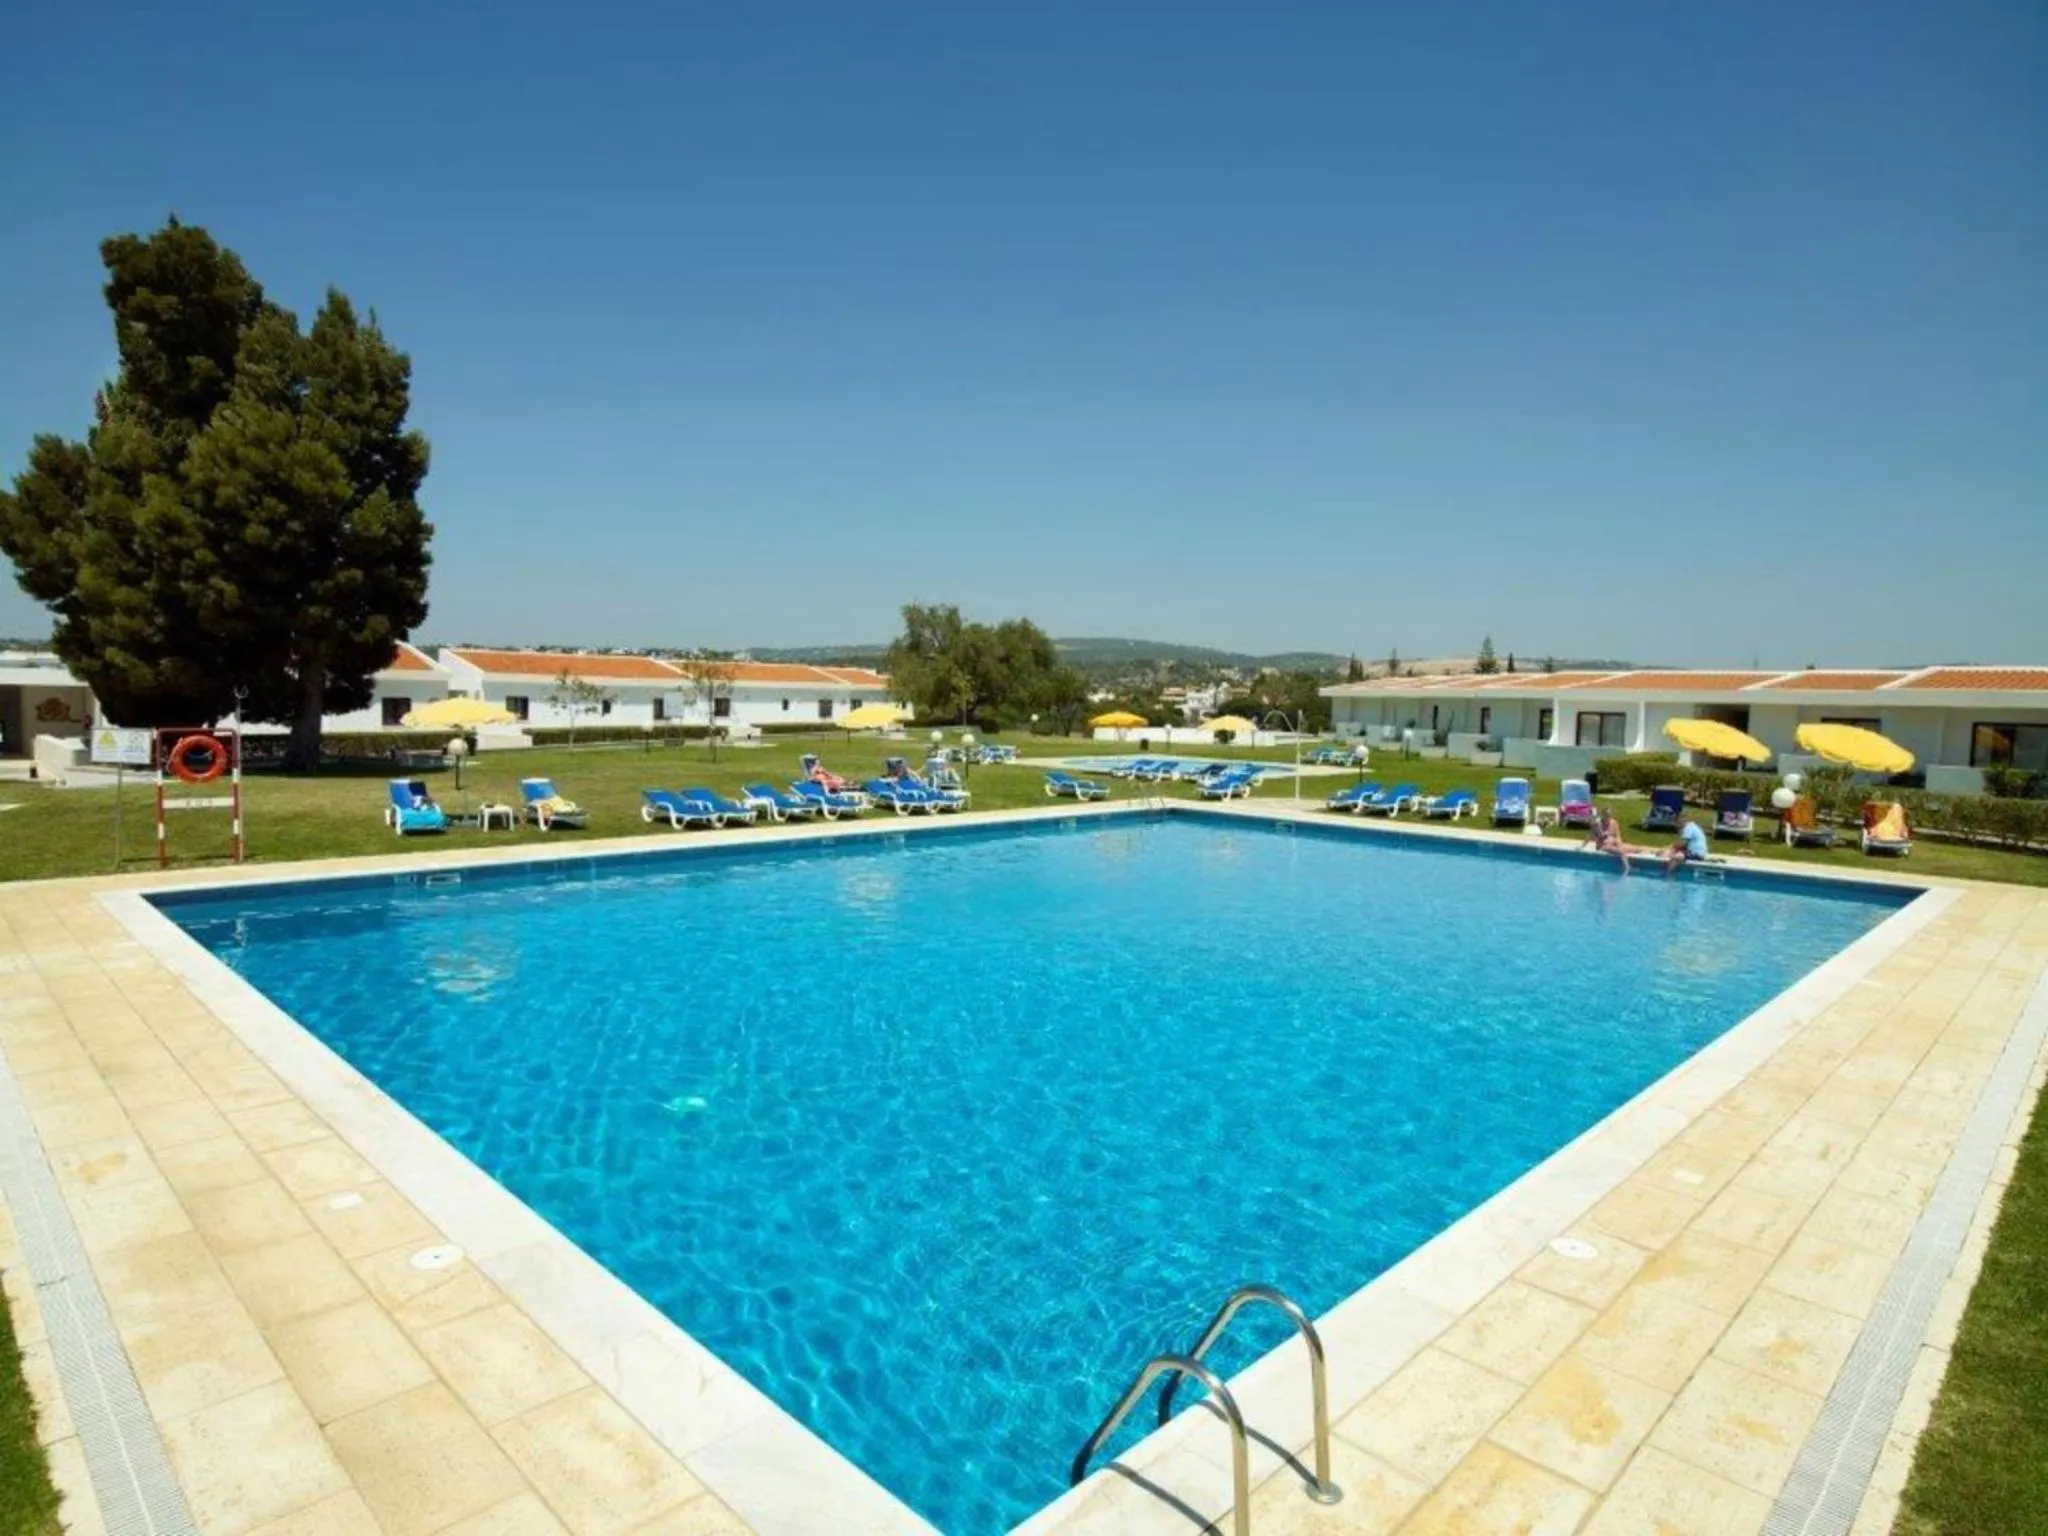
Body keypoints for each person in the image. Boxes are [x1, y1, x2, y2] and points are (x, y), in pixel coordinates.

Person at [1584, 806, 1635, 874]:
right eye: (1606, 815)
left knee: (1635, 849)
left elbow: (1618, 836)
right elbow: (1590, 836)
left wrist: (1619, 843)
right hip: (1602, 846)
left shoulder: (1614, 822)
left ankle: (1652, 852)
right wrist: (1582, 846)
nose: (1608, 817)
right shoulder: (1597, 824)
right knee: (1621, 851)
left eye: (1609, 815)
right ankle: (1627, 869)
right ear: (1603, 815)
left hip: (1613, 843)